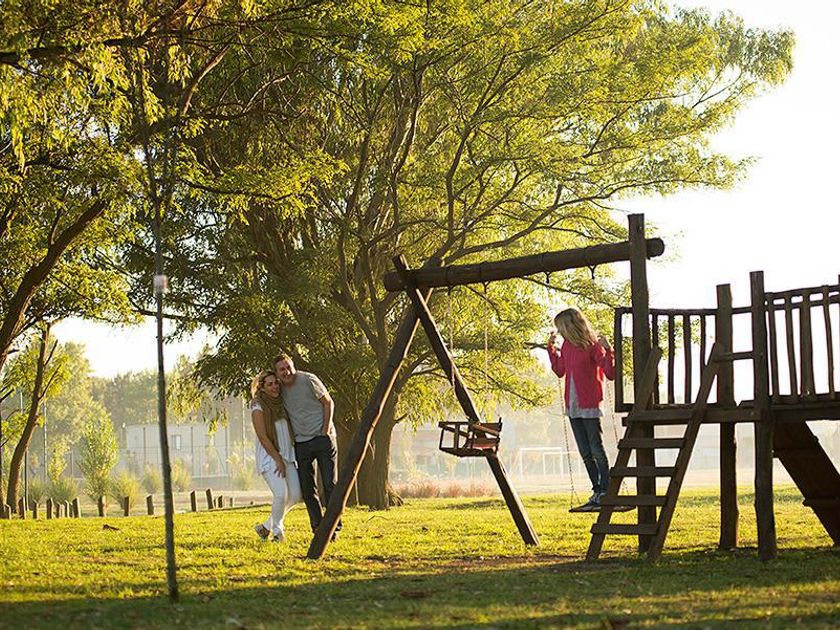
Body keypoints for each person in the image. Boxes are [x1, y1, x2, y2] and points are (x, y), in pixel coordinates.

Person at [548, 307, 616, 511]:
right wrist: (551, 349)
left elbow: (610, 373)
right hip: (573, 406)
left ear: (570, 326)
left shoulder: (592, 345)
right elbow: (560, 370)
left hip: (589, 404)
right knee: (585, 452)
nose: (560, 332)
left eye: (561, 328)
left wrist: (609, 350)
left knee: (596, 448)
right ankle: (597, 490)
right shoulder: (567, 347)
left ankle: (606, 490)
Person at [274, 353, 341, 538]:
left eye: (288, 367)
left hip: (323, 438)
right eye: (282, 369)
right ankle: (318, 528)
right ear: (277, 373)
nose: (286, 372)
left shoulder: (308, 380)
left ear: (293, 366)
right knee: (307, 489)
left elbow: (328, 402)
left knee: (329, 484)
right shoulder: (280, 390)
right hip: (301, 443)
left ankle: (334, 527)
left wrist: (325, 431)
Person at [251, 370, 302, 542]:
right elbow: (263, 437)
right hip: (270, 457)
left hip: (288, 455)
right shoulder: (258, 406)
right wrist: (277, 459)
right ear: (262, 388)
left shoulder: (283, 404)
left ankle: (265, 527)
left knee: (295, 495)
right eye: (270, 384)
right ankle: (277, 532)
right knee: (281, 494)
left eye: (276, 383)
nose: (274, 387)